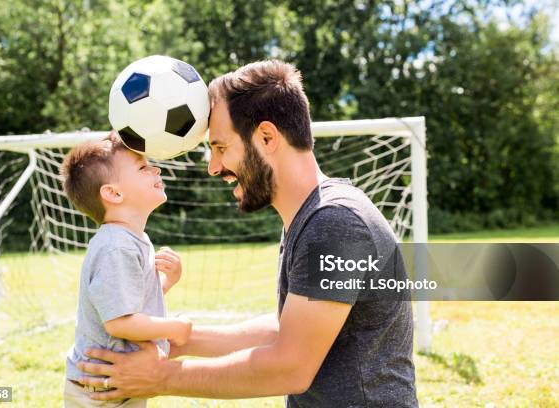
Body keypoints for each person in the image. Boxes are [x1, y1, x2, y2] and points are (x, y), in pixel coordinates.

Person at [77, 60, 418, 407]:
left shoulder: (335, 222)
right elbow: (289, 328)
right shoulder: (313, 216)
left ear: (267, 137)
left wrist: (163, 375)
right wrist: (184, 341)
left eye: (221, 148)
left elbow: (290, 366)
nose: (213, 168)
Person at [60, 133, 192, 407]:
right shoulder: (116, 247)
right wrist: (174, 327)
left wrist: (167, 282)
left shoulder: (133, 239)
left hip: (120, 383)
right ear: (113, 193)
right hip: (98, 391)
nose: (155, 168)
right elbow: (118, 322)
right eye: (143, 167)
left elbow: (127, 302)